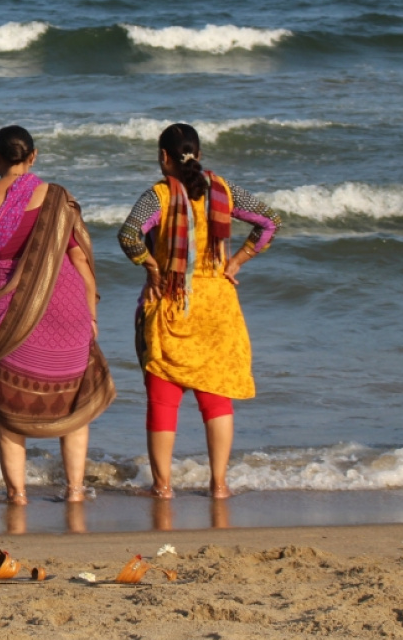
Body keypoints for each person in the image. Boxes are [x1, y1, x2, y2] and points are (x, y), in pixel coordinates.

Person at [0, 126, 115, 504]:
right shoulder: (58, 198)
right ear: (33, 156)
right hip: (65, 303)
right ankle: (74, 491)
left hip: (2, 312)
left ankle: (18, 494)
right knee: (73, 406)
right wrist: (90, 313)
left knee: (9, 409)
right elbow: (79, 259)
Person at [118, 122, 282, 499]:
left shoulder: (158, 196)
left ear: (164, 157)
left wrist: (152, 267)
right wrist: (237, 261)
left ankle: (162, 487)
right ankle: (219, 484)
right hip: (218, 306)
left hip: (173, 299)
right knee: (216, 397)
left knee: (163, 398)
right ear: (200, 154)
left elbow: (128, 235)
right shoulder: (223, 190)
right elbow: (270, 222)